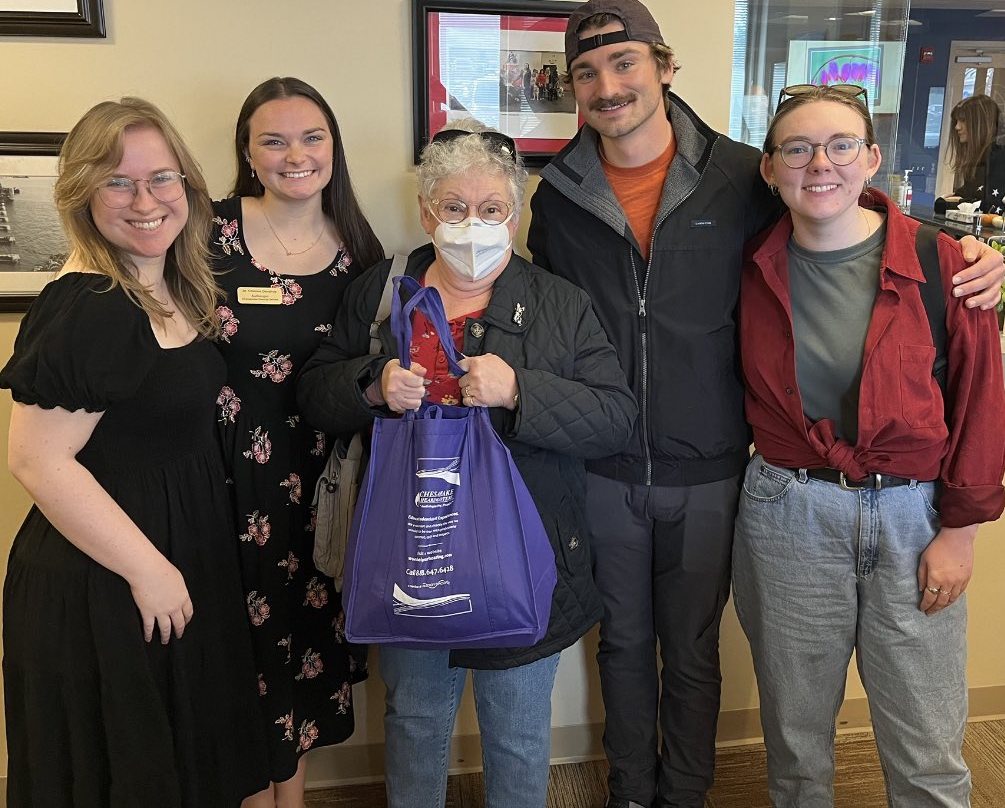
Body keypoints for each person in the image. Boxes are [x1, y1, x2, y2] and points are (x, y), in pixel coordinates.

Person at [526, 0, 1005, 808]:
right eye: (586, 71)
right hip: (632, 468)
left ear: (664, 67)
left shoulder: (735, 176)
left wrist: (961, 246)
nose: (608, 85)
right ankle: (632, 796)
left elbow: (843, 215)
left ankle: (684, 795)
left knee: (701, 653)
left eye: (624, 63)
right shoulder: (559, 198)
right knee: (643, 660)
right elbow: (545, 319)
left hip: (734, 473)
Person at [296, 119, 637, 808]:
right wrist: (371, 384)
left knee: (516, 733)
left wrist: (521, 390)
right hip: (412, 559)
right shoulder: (380, 293)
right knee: (415, 720)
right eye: (453, 208)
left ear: (515, 215)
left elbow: (614, 418)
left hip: (522, 558)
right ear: (426, 211)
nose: (472, 225)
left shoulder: (558, 304)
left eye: (491, 210)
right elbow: (313, 393)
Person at [733, 84, 1005, 806]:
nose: (818, 163)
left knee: (925, 745)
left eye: (839, 145)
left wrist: (960, 531)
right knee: (795, 744)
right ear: (769, 169)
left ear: (871, 158)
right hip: (786, 514)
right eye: (796, 148)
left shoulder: (944, 262)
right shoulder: (746, 267)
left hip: (912, 519)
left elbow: (979, 406)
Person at [0, 97, 269, 807]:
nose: (145, 200)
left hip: (166, 559)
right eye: (117, 182)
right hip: (107, 582)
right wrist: (149, 570)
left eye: (162, 178)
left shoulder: (171, 284)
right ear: (82, 194)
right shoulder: (92, 305)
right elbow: (37, 460)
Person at [211, 77, 383, 807]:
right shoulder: (203, 231)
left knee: (303, 649)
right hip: (223, 480)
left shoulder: (360, 250)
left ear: (333, 147)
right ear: (248, 154)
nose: (295, 154)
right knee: (235, 656)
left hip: (323, 484)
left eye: (311, 137)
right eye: (273, 140)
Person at [943, 92, 1005, 216]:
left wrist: (950, 204)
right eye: (956, 121)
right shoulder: (986, 154)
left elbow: (989, 203)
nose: (957, 127)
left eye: (963, 120)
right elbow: (971, 193)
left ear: (980, 122)